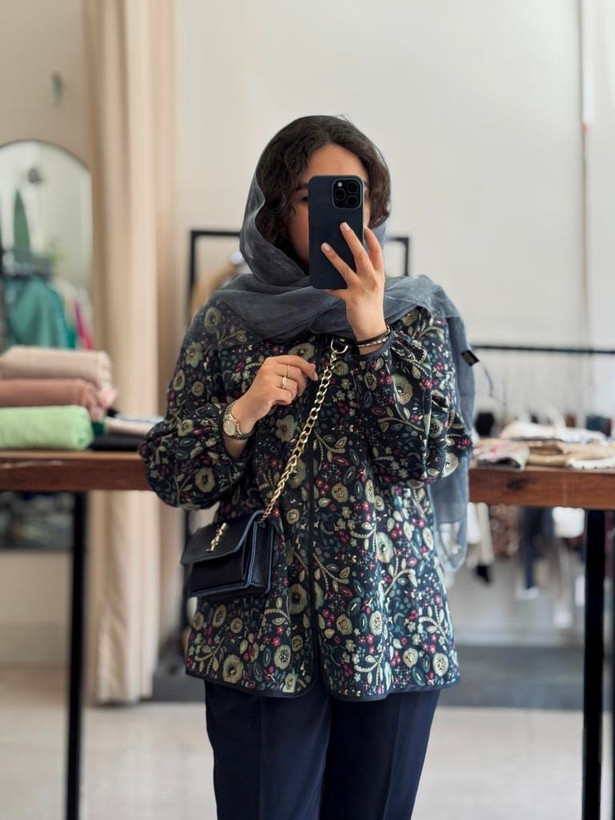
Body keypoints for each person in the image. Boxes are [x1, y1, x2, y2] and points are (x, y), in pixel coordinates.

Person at [139, 114, 475, 820]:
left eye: (352, 195)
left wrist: (371, 332)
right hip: (260, 627)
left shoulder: (414, 316)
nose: (336, 215)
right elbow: (173, 473)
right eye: (311, 196)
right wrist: (243, 412)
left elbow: (427, 455)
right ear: (272, 209)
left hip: (391, 622)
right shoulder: (226, 321)